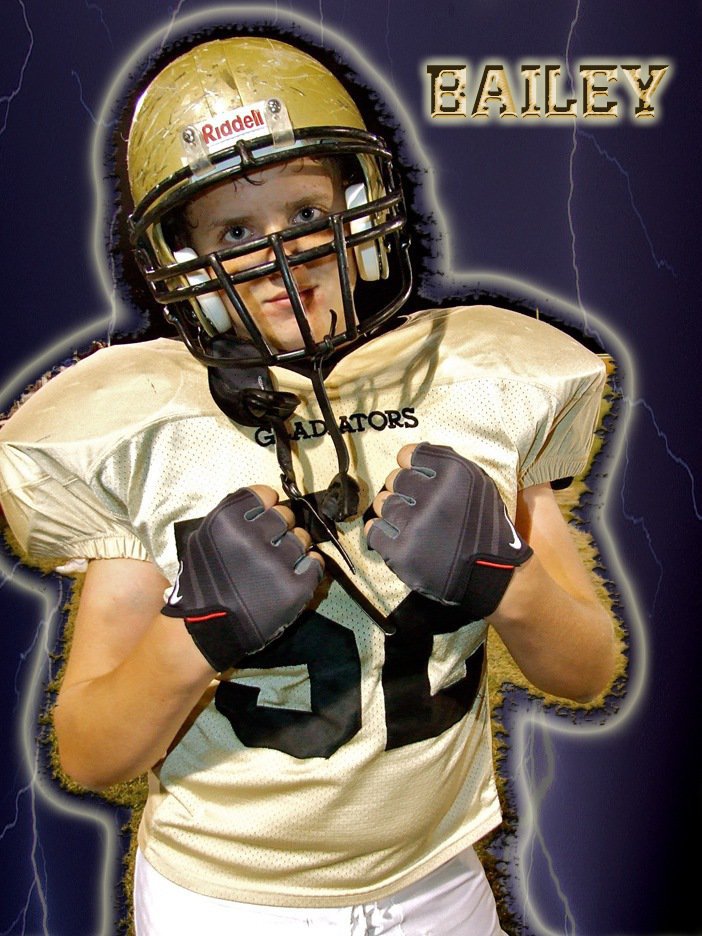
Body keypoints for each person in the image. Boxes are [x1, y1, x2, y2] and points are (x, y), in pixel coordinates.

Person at [0, 32, 616, 935]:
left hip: (442, 883)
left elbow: (587, 668)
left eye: (304, 211)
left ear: (363, 209)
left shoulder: (479, 381)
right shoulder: (147, 428)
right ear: (183, 262)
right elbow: (93, 754)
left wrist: (502, 578)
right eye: (235, 233)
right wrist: (196, 636)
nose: (280, 255)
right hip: (226, 902)